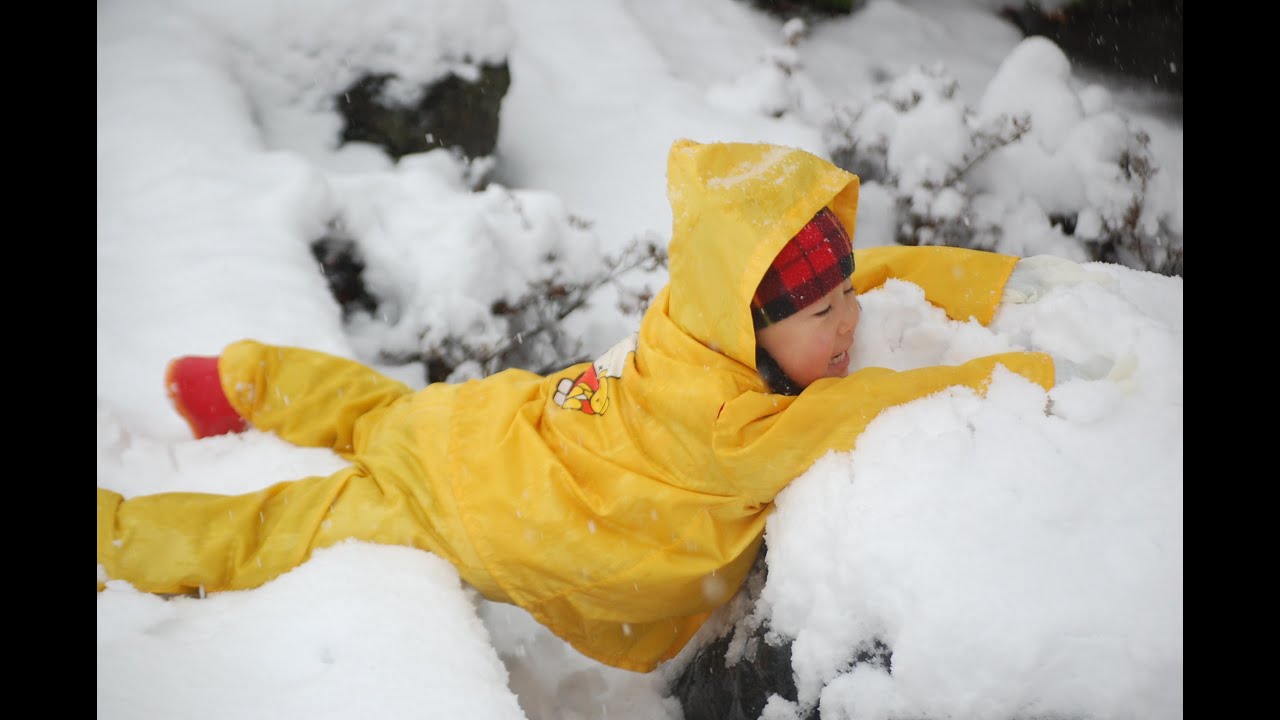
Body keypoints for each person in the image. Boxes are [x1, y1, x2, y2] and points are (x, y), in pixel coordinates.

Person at [97, 138, 1056, 673]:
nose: (848, 323)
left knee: (384, 414)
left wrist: (993, 284)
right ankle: (120, 538)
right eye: (821, 314)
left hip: (500, 422)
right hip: (476, 507)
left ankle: (240, 378)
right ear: (751, 323)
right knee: (290, 523)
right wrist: (1027, 373)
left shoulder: (691, 322)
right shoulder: (735, 428)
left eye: (846, 300)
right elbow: (872, 404)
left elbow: (871, 271)